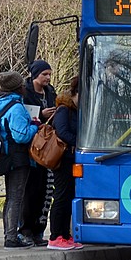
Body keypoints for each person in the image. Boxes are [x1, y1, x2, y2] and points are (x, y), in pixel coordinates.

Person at [0, 71, 39, 249]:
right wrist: (35, 126)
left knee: (11, 197)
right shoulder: (16, 107)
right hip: (17, 157)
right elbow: (21, 136)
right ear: (18, 87)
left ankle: (9, 234)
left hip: (1, 155)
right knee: (15, 197)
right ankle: (11, 237)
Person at [21, 59, 56, 246]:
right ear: (35, 75)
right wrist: (41, 114)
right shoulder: (26, 92)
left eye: (49, 74)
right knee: (31, 191)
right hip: (32, 146)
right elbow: (24, 116)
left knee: (45, 191)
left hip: (48, 146)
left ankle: (38, 230)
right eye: (44, 75)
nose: (48, 78)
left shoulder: (50, 91)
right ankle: (25, 229)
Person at [48, 76, 83, 250]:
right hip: (63, 159)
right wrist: (79, 142)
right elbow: (61, 132)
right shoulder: (64, 110)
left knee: (69, 196)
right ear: (76, 93)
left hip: (72, 159)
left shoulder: (77, 110)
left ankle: (65, 234)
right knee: (61, 196)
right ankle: (55, 236)